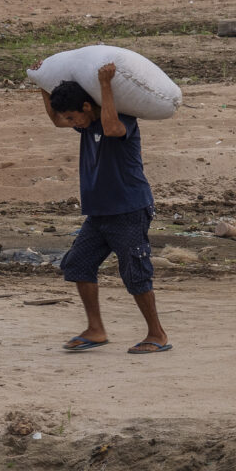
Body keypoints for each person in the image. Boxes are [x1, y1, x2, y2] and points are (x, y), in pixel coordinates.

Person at [45, 61, 172, 354]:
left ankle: (158, 334)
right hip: (100, 213)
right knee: (78, 264)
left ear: (88, 107)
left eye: (73, 116)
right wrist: (41, 82)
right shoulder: (86, 126)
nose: (70, 122)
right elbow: (55, 120)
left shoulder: (120, 119)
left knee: (135, 272)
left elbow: (112, 127)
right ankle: (96, 329)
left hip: (128, 209)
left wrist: (105, 84)